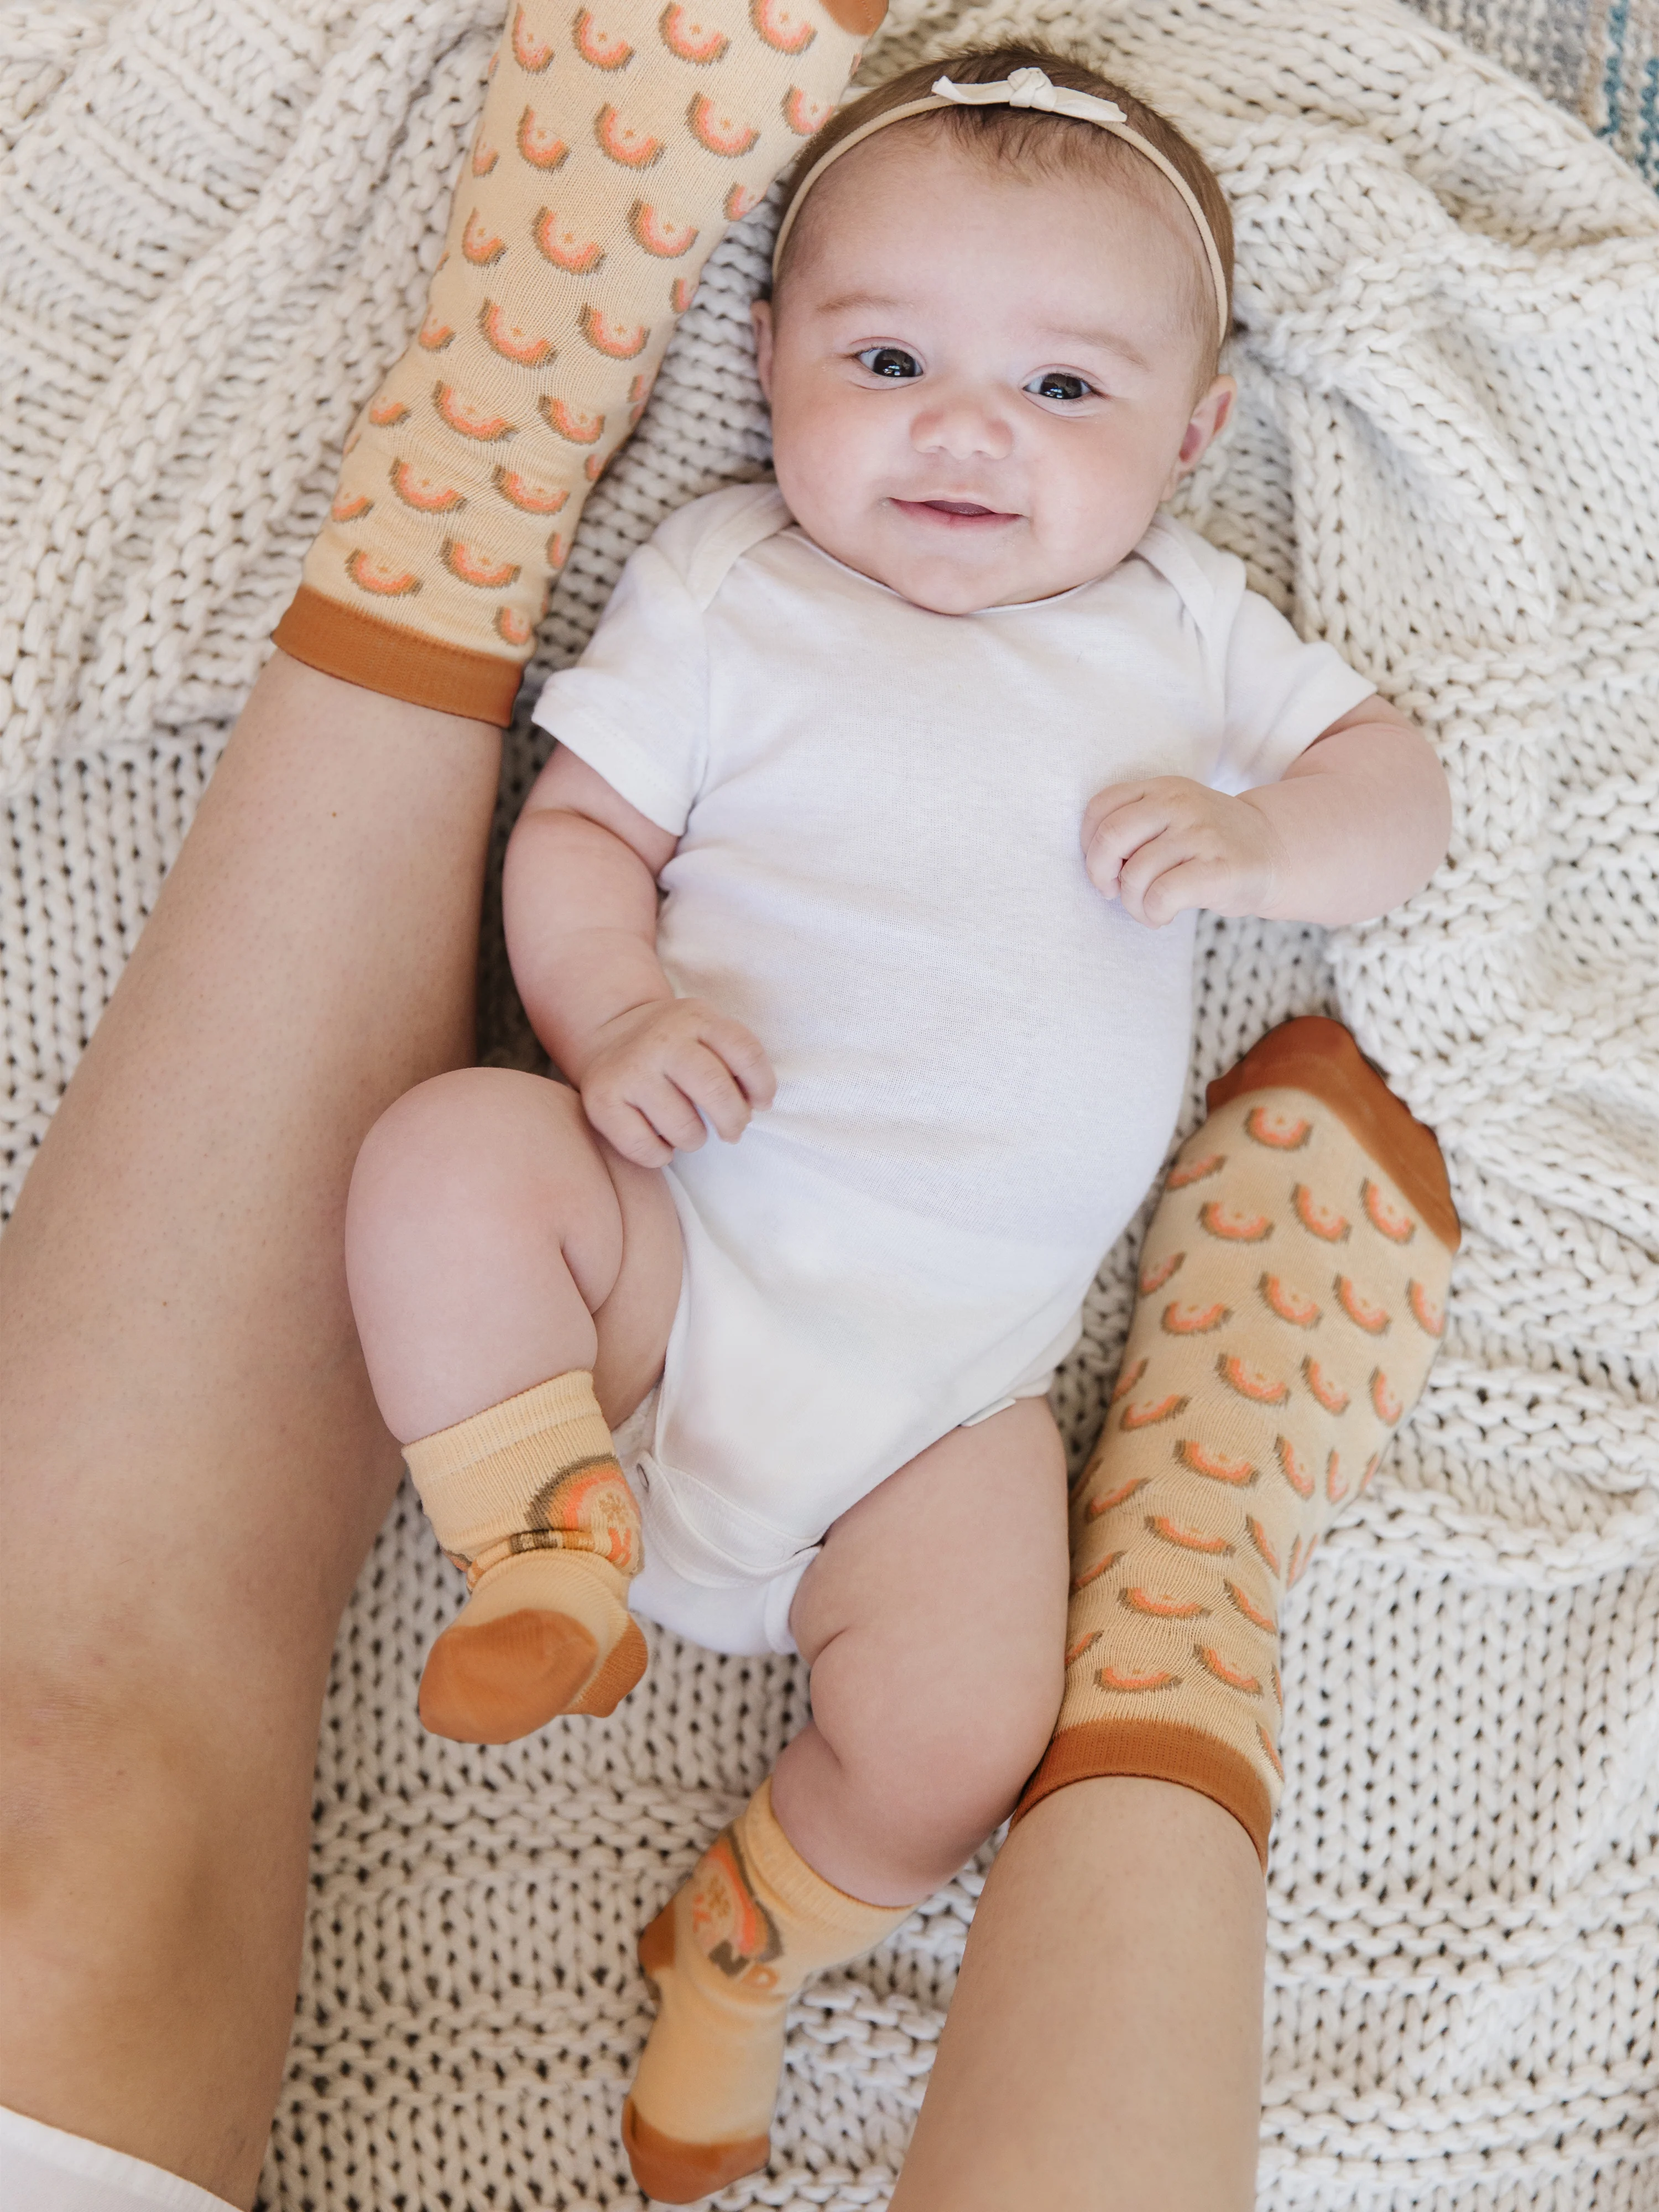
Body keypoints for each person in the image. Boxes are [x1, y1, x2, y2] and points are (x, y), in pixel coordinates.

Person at [0, 13, 1453, 2212]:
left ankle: (752, 1937)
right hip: (671, 1271)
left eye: (1064, 389)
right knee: (456, 1160)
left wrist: (1266, 854)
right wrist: (613, 1013)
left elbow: (1398, 800)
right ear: (763, 355)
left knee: (962, 1726)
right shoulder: (726, 592)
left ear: (1194, 434)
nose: (966, 429)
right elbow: (574, 837)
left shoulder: (1190, 630)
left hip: (941, 1415)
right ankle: (537, 1533)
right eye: (886, 362)